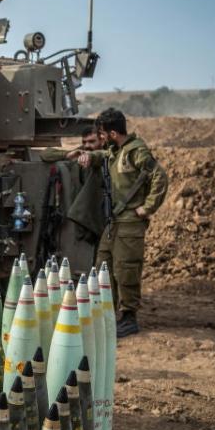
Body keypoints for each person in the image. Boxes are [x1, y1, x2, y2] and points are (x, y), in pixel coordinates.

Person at [76, 108, 169, 337]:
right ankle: (108, 312)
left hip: (129, 222)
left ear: (113, 133)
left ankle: (129, 317)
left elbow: (160, 177)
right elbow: (104, 156)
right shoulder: (115, 150)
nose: (101, 138)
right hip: (114, 220)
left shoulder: (135, 152)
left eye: (103, 134)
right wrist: (89, 156)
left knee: (126, 269)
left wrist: (147, 208)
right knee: (103, 267)